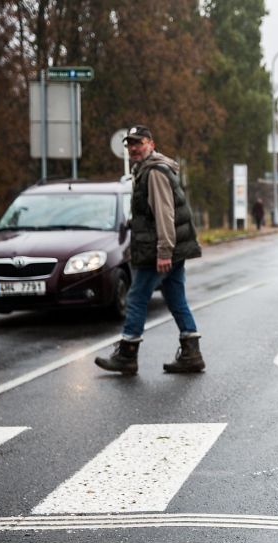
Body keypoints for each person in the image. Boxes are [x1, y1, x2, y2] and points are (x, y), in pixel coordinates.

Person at [95, 125, 205, 375]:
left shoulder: (154, 172)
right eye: (130, 144)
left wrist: (164, 251)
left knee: (136, 298)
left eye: (139, 142)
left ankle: (127, 355)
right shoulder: (147, 169)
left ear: (151, 144)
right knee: (176, 298)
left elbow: (165, 214)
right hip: (168, 247)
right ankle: (192, 353)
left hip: (158, 250)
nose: (134, 148)